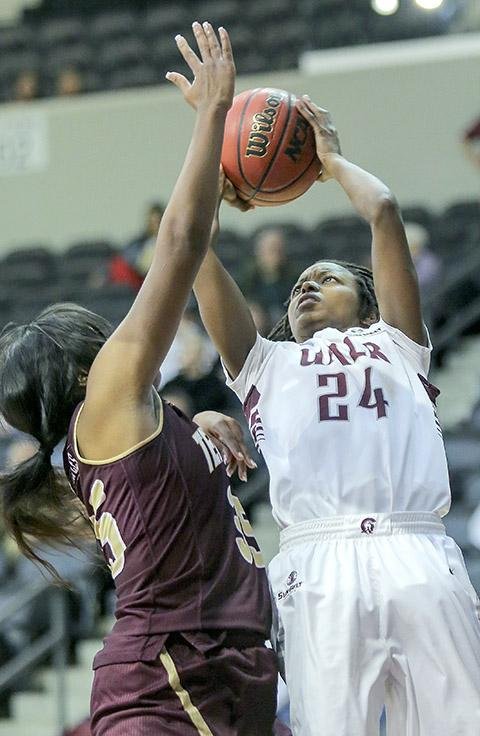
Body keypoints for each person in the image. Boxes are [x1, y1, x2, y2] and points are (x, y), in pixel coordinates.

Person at [0, 23, 281, 735]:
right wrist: (214, 113)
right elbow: (180, 242)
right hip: (169, 680)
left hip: (217, 664)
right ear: (85, 358)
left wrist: (201, 437)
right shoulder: (107, 399)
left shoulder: (132, 427)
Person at [190, 95, 480, 735]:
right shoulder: (266, 365)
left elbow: (382, 212)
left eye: (327, 278)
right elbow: (194, 254)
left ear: (369, 307)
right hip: (318, 562)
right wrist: (212, 177)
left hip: (417, 548)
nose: (305, 286)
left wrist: (331, 163)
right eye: (298, 284)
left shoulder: (398, 345)